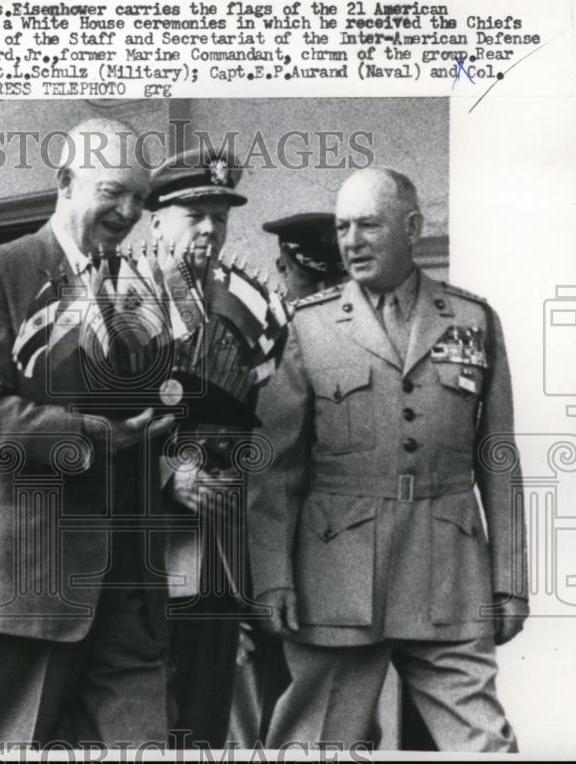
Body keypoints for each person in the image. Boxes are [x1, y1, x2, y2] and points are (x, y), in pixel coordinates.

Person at [248, 167, 529, 752]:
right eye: (343, 227)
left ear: (412, 228)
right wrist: (271, 578)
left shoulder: (473, 321)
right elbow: (276, 471)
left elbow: (497, 462)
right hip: (337, 577)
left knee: (484, 744)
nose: (351, 241)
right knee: (317, 744)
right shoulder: (310, 326)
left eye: (368, 225)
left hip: (447, 572)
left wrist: (510, 583)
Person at [0, 118, 175, 746]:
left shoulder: (145, 287)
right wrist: (93, 434)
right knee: (8, 747)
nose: (129, 211)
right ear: (66, 183)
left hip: (128, 579)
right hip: (32, 578)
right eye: (112, 191)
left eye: (140, 197)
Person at [144, 147, 253, 748]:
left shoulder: (241, 315)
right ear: (155, 220)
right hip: (136, 557)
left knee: (205, 721)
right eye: (195, 213)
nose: (211, 228)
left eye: (220, 214)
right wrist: (167, 476)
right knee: (136, 721)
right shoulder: (113, 307)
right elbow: (79, 425)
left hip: (217, 556)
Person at [228, 211, 348, 748]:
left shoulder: (280, 337)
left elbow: (262, 466)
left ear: (291, 267)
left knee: (267, 708)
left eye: (282, 266)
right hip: (340, 559)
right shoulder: (365, 333)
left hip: (270, 551)